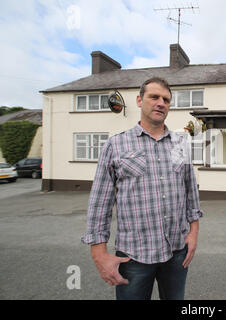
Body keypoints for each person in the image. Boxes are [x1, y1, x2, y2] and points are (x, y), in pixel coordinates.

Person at [81, 77, 203, 300]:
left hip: (176, 253)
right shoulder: (116, 145)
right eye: (154, 97)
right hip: (133, 257)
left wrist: (193, 234)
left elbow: (190, 193)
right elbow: (100, 202)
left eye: (166, 99)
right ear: (139, 100)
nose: (160, 103)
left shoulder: (180, 144)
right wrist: (99, 254)